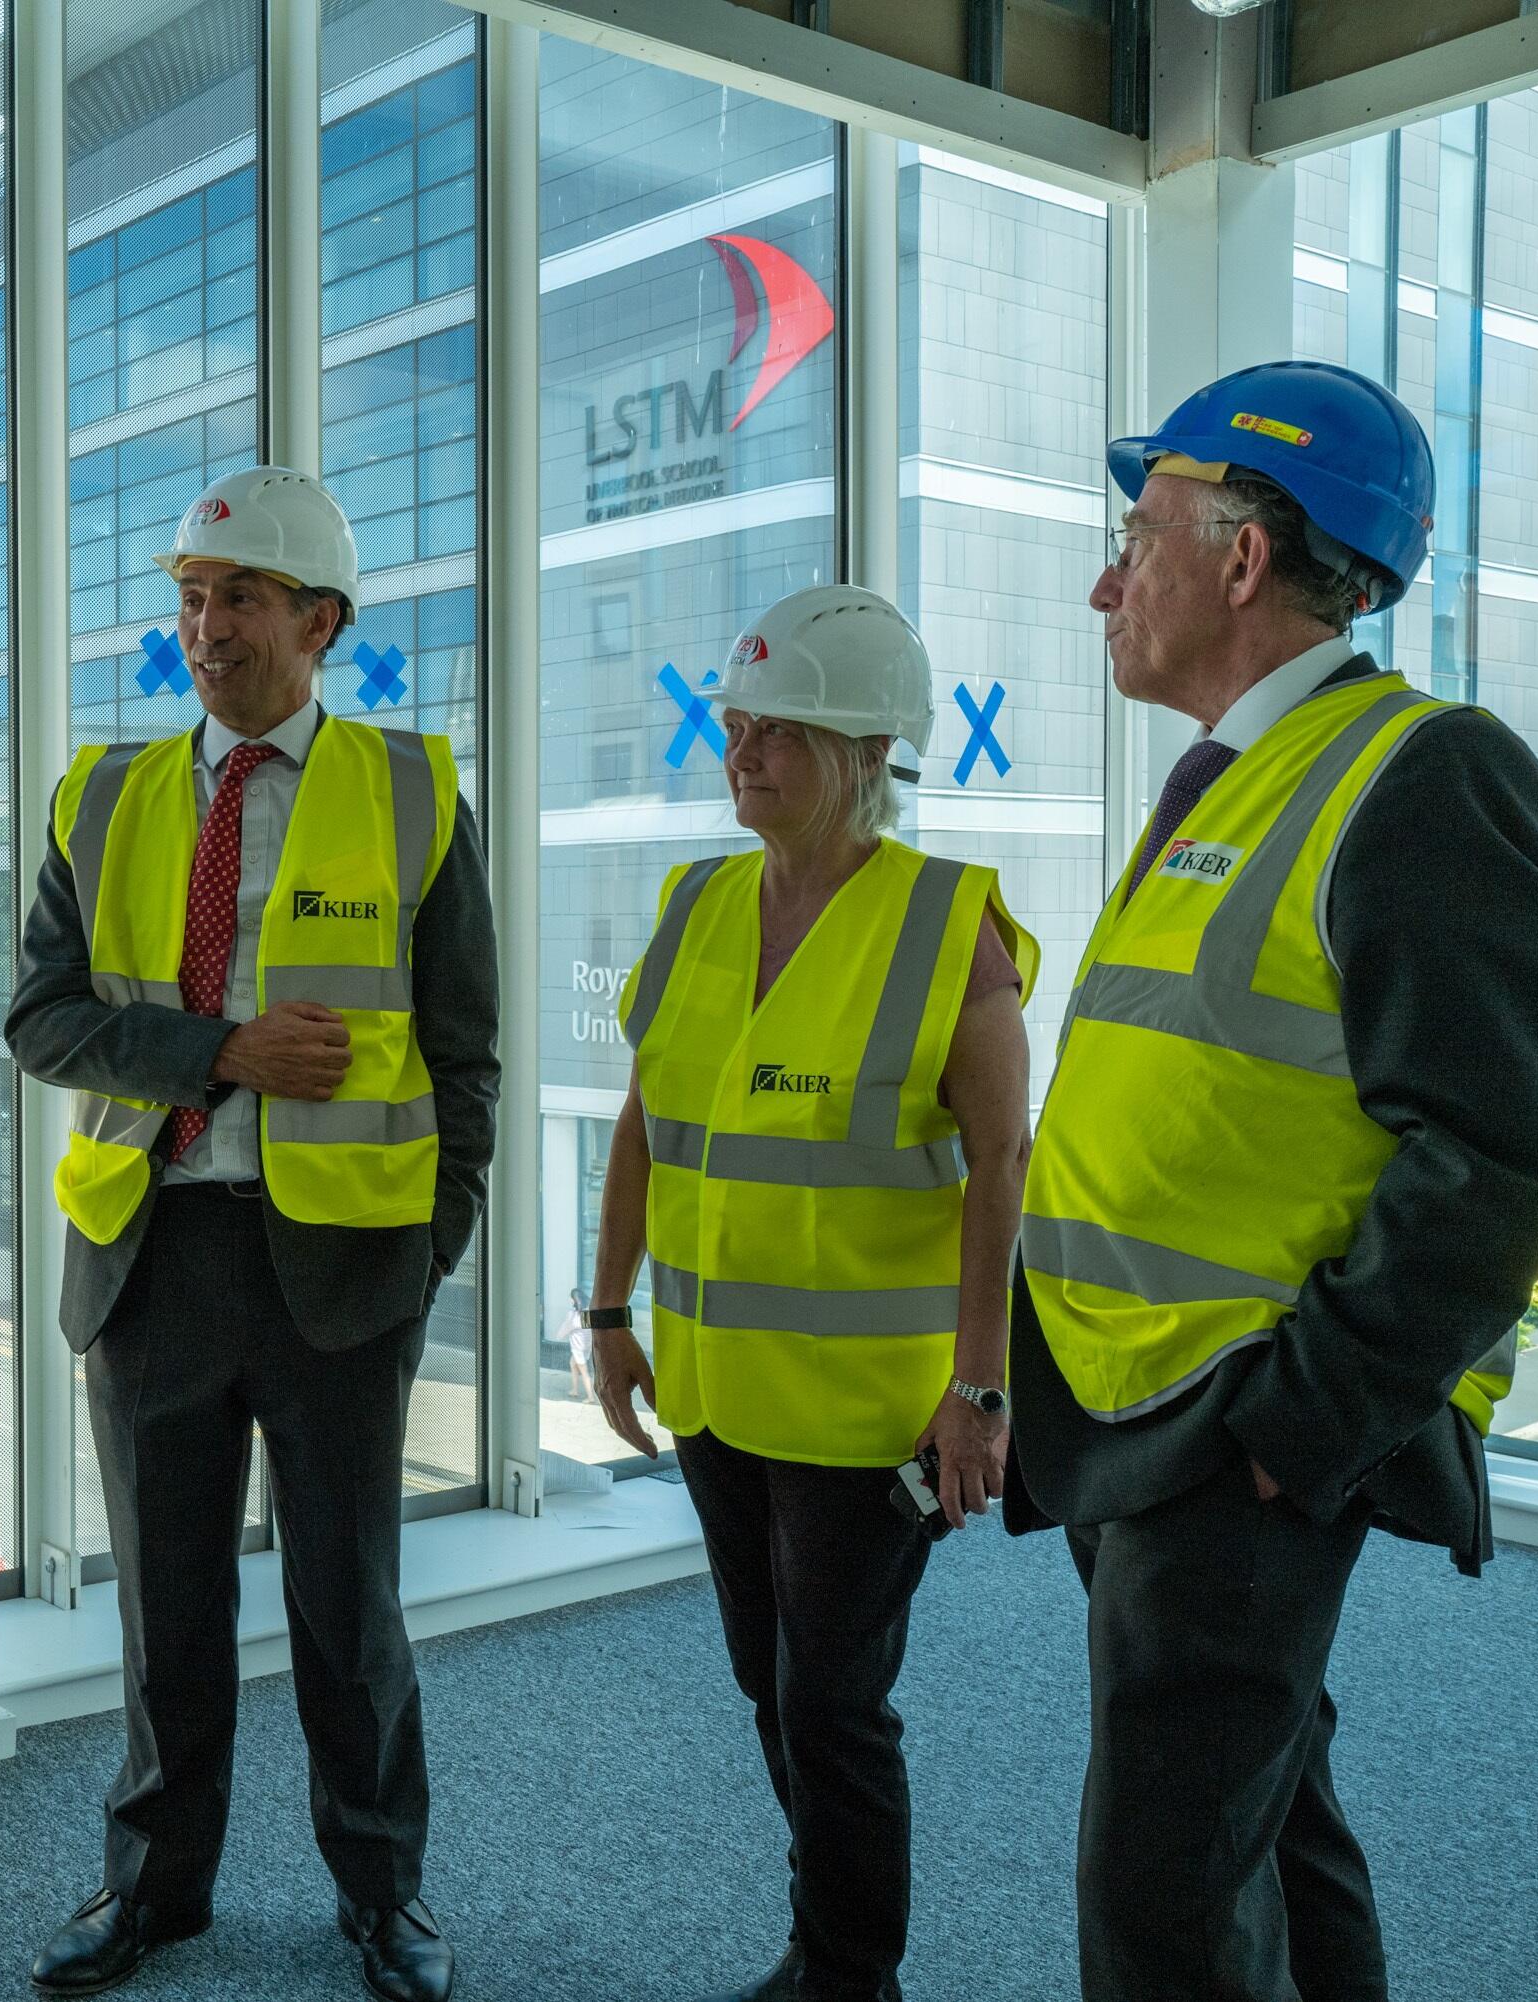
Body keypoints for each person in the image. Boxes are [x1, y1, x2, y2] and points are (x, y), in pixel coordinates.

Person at [1009, 360, 1538, 2001]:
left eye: (1139, 536)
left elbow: (1508, 1161)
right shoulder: (1232, 775)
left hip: (1245, 1424)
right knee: (1256, 1825)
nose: (1106, 581)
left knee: (1161, 1898)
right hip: (1140, 1407)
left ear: (1245, 556)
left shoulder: (1426, 776)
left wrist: (1294, 1431)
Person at [7, 466, 499, 2002]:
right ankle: (154, 1889)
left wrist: (436, 1246)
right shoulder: (100, 793)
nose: (204, 627)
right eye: (191, 597)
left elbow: (466, 1048)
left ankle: (384, 1894)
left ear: (321, 622)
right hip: (151, 1252)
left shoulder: (417, 792)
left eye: (238, 598)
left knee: (348, 1610)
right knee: (167, 1610)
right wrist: (220, 1049)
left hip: (346, 1266)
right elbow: (41, 1018)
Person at [588, 586, 1036, 2002]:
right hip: (719, 1386)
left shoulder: (944, 925)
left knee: (833, 1703)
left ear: (862, 751)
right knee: (766, 1680)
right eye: (737, 725)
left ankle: (850, 1974)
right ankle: (821, 1937)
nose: (742, 749)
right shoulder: (700, 900)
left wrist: (981, 1390)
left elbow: (1002, 1171)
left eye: (777, 729)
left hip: (866, 1408)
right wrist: (606, 1314)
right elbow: (646, 1119)